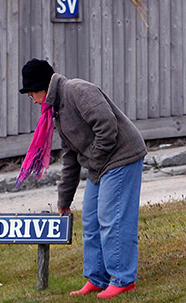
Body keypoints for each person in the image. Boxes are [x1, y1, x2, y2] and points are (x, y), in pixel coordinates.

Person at [19, 58, 147, 300]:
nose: (33, 100)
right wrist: (64, 200)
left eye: (31, 94)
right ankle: (97, 279)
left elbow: (107, 127)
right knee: (90, 221)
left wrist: (94, 160)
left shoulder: (77, 90)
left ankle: (122, 279)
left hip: (122, 156)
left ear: (41, 88)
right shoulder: (57, 111)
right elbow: (70, 156)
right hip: (100, 164)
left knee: (113, 219)